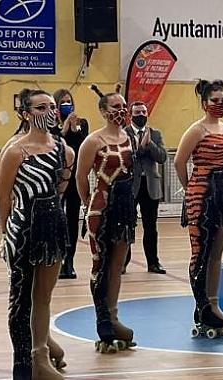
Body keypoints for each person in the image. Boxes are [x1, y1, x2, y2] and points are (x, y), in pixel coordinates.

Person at [0, 89, 74, 379]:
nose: (51, 112)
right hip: (23, 228)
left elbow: (59, 190)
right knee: (21, 298)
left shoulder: (64, 150)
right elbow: (4, 197)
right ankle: (23, 365)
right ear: (27, 113)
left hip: (52, 225)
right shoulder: (16, 150)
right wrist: (7, 233)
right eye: (42, 107)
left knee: (43, 296)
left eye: (52, 107)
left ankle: (40, 355)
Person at [175, 79, 223, 338]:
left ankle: (213, 303)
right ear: (204, 103)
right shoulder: (196, 130)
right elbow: (180, 161)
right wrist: (192, 188)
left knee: (217, 253)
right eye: (215, 100)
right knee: (200, 253)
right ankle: (201, 306)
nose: (219, 104)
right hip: (203, 193)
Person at [76, 89, 138, 353]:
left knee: (117, 265)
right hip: (101, 208)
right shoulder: (93, 141)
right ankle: (102, 321)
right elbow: (80, 177)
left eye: (123, 105)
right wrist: (89, 201)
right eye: (115, 106)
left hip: (124, 210)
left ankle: (113, 317)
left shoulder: (128, 137)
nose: (121, 110)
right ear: (103, 111)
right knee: (100, 265)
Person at [123, 101, 168, 274]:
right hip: (130, 185)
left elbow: (163, 157)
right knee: (127, 224)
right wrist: (140, 150)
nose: (141, 115)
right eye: (137, 112)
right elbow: (125, 159)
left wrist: (150, 145)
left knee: (151, 226)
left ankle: (153, 262)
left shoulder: (155, 134)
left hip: (150, 185)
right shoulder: (123, 134)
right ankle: (123, 262)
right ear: (131, 115)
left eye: (143, 112)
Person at [52, 88, 90, 279]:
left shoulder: (82, 123)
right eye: (63, 102)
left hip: (74, 178)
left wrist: (74, 128)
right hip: (57, 179)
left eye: (69, 101)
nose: (67, 104)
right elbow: (54, 145)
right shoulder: (51, 125)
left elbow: (84, 146)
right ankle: (56, 259)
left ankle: (70, 261)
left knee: (72, 220)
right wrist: (64, 127)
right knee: (57, 218)